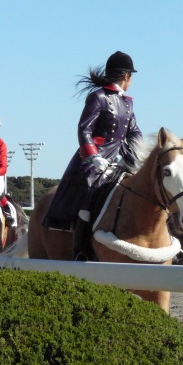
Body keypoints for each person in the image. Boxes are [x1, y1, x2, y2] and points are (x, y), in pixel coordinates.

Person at [43, 51, 143, 260]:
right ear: (126, 76)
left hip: (122, 155)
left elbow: (134, 131)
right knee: (89, 190)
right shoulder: (98, 97)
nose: (132, 80)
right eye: (131, 76)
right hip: (97, 156)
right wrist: (93, 156)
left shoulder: (127, 102)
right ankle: (81, 248)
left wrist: (136, 153)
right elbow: (84, 130)